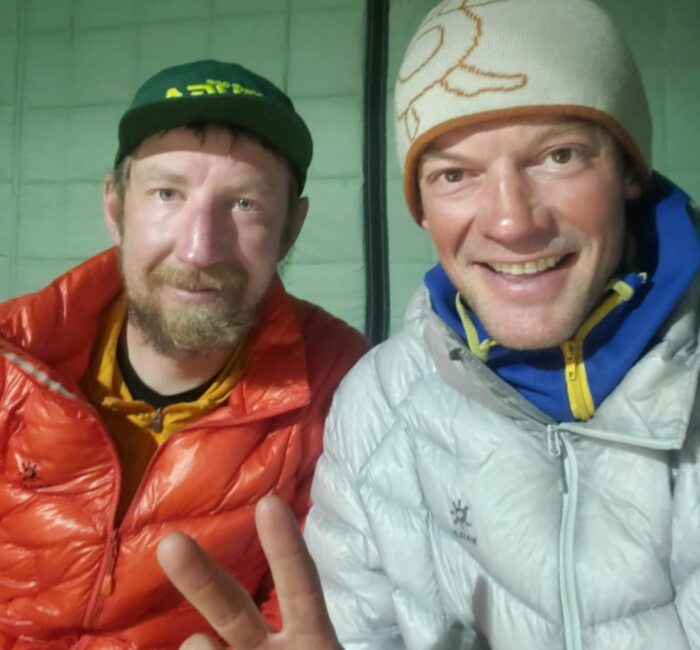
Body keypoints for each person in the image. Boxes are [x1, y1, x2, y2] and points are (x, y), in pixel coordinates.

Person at [154, 1, 700, 648]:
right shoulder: (378, 408)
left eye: (559, 156)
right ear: (422, 209)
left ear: (628, 172)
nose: (510, 221)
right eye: (453, 174)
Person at [0, 59, 367, 649]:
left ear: (290, 229)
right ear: (116, 207)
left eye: (245, 204)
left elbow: (299, 620)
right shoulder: (12, 357)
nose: (199, 249)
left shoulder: (344, 387)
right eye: (167, 193)